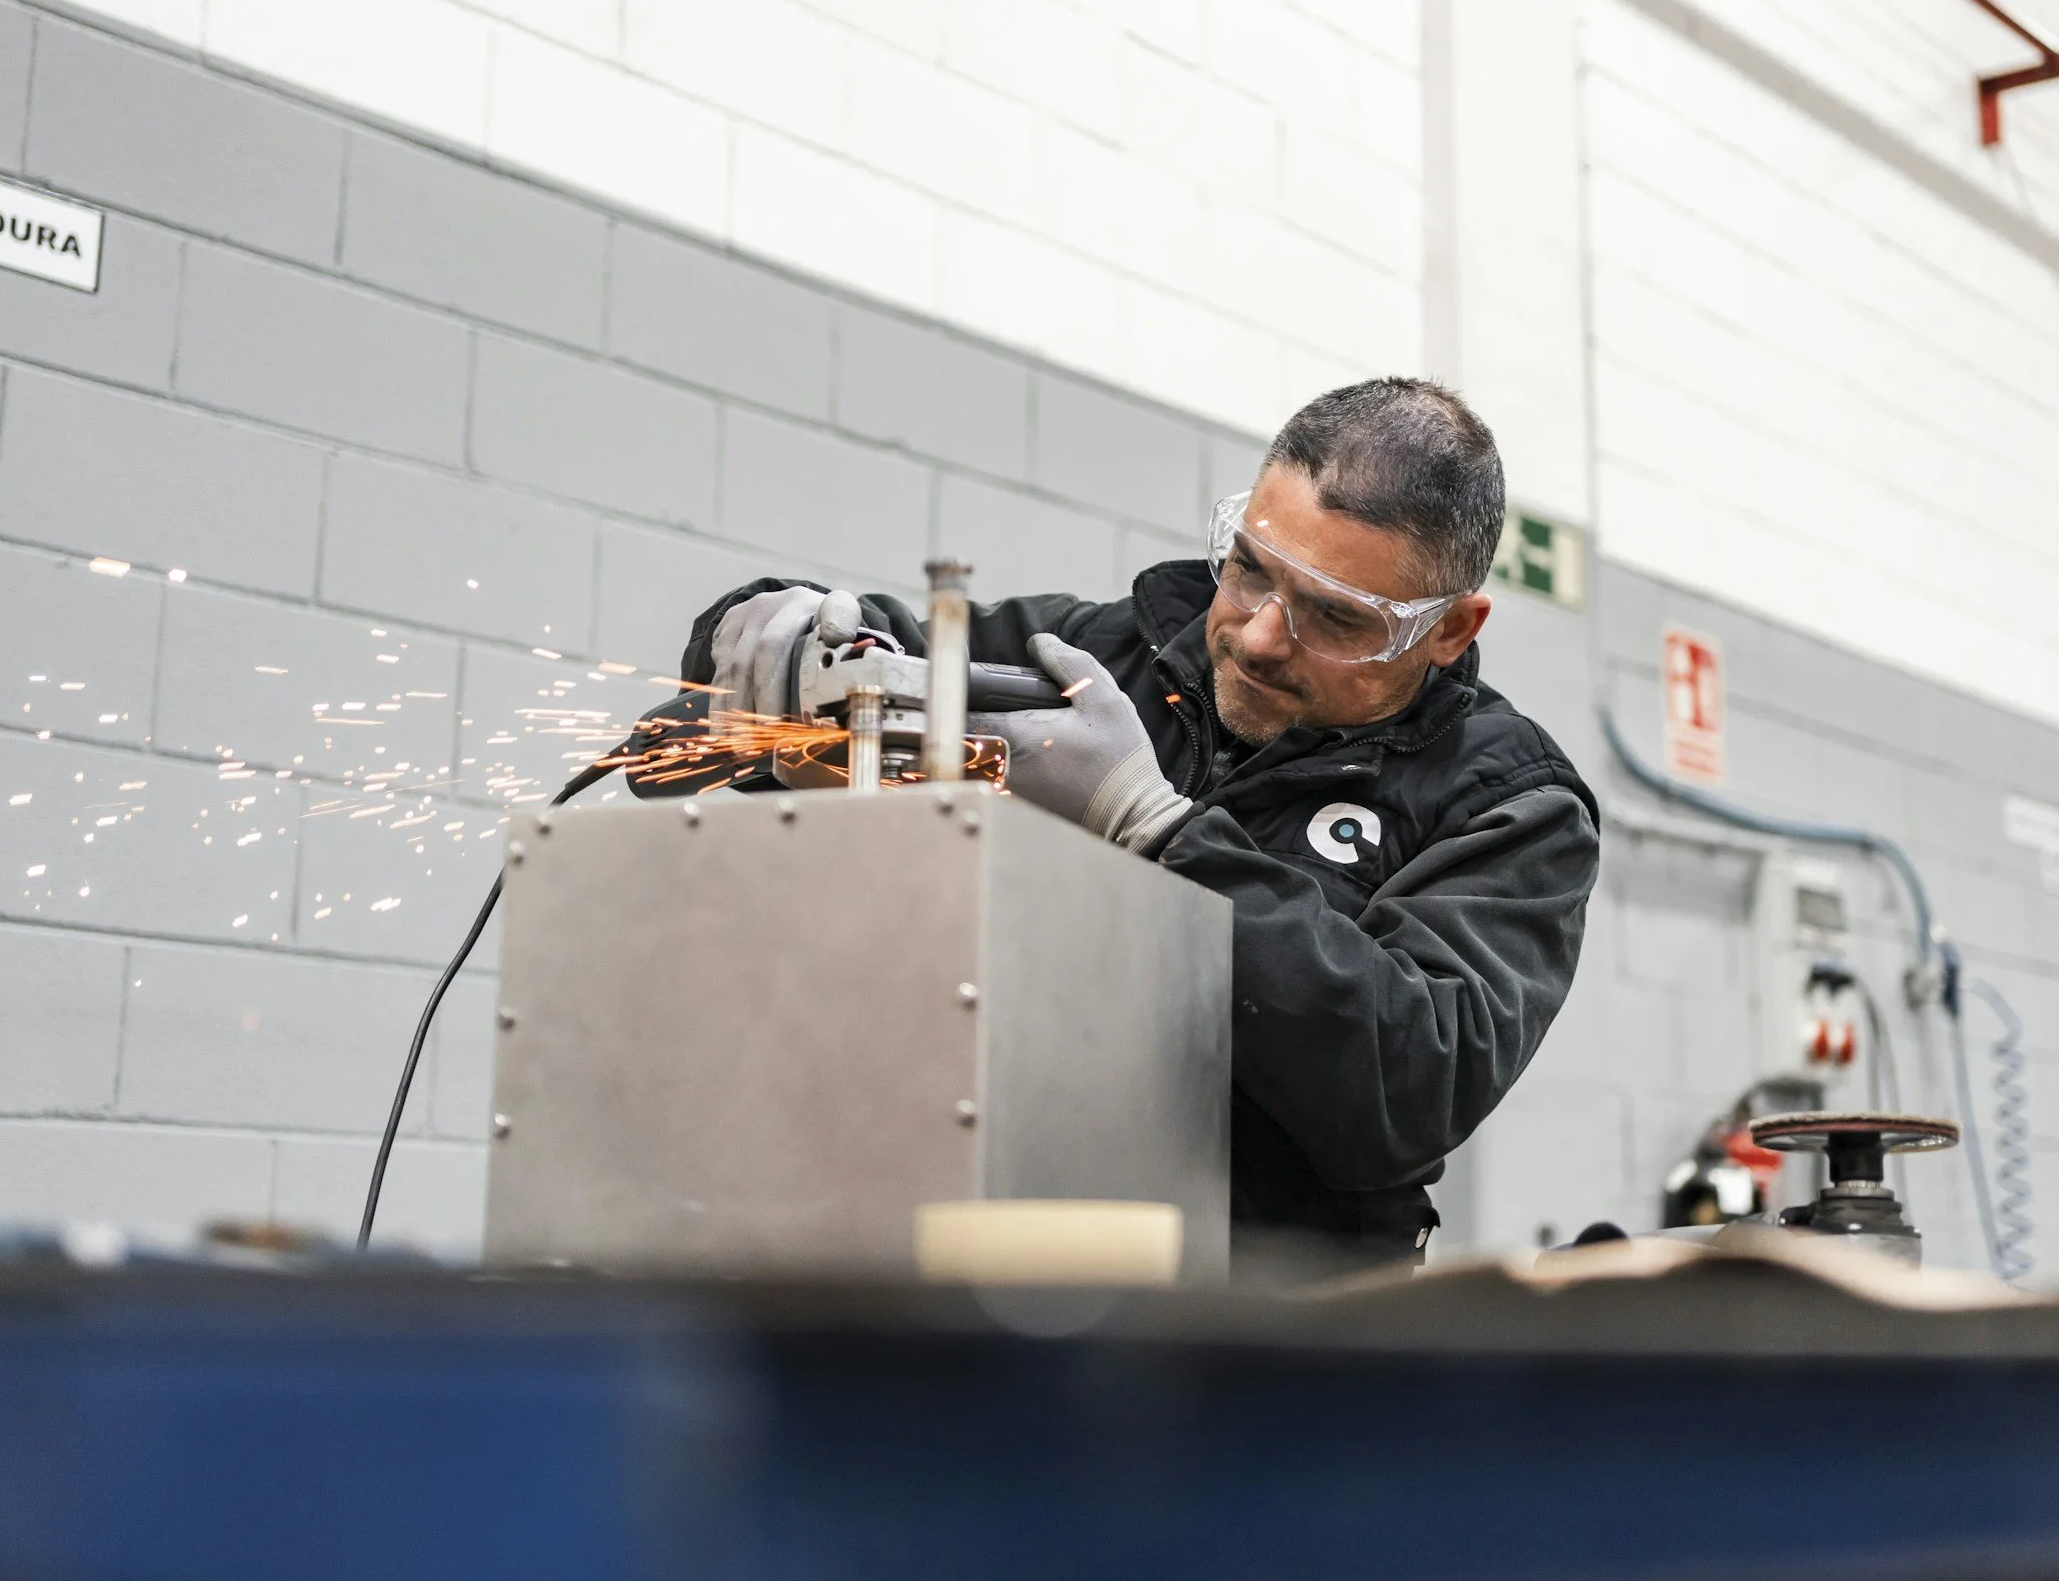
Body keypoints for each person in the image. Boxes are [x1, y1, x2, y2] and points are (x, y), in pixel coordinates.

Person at [680, 377, 1600, 1278]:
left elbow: (1410, 1089)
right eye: (1250, 570)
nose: (1257, 637)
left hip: (1273, 1330)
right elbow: (876, 657)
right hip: (997, 1259)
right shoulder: (1101, 658)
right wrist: (779, 630)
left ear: (1449, 630)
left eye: (1335, 616)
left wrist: (1154, 830)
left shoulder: (1509, 803)